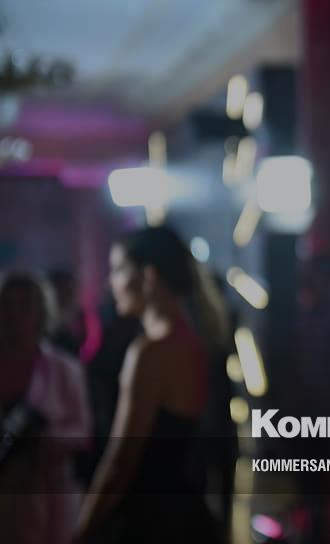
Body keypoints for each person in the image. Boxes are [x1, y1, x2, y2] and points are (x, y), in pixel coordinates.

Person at [75, 226, 221, 543]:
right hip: (188, 517)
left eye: (118, 270)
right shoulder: (193, 344)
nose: (111, 283)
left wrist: (81, 530)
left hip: (151, 523)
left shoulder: (150, 353)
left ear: (149, 276)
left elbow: (120, 461)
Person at [0, 273, 91, 544]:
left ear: (41, 312)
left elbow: (82, 430)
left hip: (50, 496)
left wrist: (43, 441)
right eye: (8, 304)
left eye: (24, 305)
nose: (15, 314)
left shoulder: (65, 369)